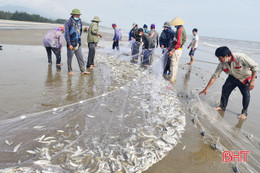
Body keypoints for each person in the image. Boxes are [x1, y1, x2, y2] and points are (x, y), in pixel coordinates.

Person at [199, 46, 258, 120]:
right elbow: (215, 76)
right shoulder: (222, 64)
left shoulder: (240, 58)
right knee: (225, 88)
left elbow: (255, 66)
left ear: (226, 56)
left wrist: (252, 81)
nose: (219, 60)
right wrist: (206, 88)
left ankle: (244, 113)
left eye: (220, 58)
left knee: (246, 94)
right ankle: (222, 106)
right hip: (232, 77)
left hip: (244, 78)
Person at [65, 9, 89, 75]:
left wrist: (78, 39)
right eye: (77, 15)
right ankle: (69, 70)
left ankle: (83, 70)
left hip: (78, 43)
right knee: (70, 58)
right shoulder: (68, 22)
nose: (78, 16)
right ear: (73, 15)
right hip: (71, 43)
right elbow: (66, 34)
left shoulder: (80, 21)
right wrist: (69, 44)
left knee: (80, 57)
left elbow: (80, 31)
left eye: (79, 15)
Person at [168, 17, 186, 84]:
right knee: (176, 64)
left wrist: (172, 51)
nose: (174, 26)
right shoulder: (181, 29)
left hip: (177, 50)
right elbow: (176, 41)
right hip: (179, 49)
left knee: (173, 64)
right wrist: (170, 46)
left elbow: (178, 43)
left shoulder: (180, 31)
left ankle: (172, 79)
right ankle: (173, 78)